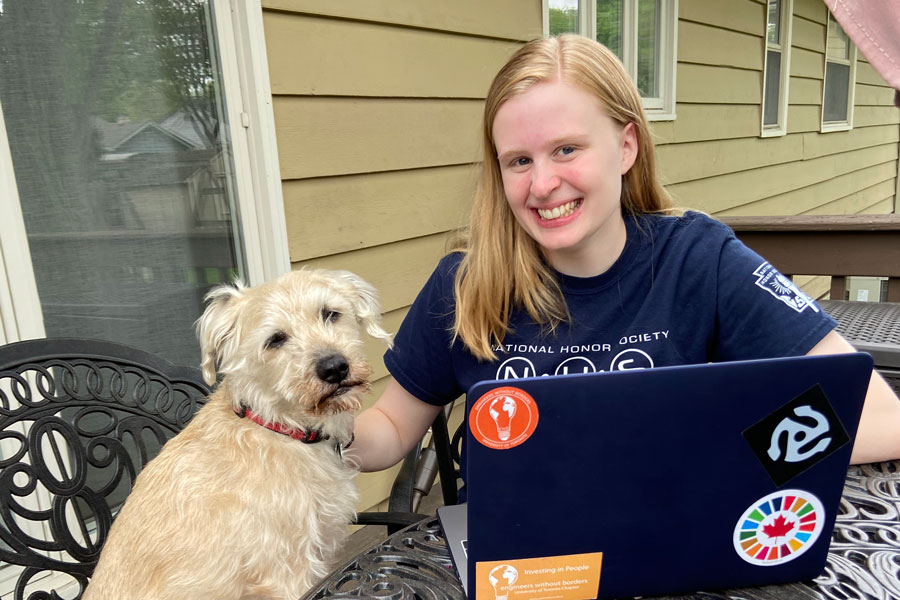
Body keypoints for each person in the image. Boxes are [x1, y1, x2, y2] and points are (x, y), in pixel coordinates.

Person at [350, 35, 900, 489]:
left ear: (627, 146)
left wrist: (720, 455)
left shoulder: (697, 259)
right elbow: (391, 429)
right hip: (517, 567)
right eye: (519, 160)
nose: (542, 184)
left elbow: (878, 415)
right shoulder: (464, 283)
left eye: (566, 149)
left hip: (668, 547)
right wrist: (314, 430)